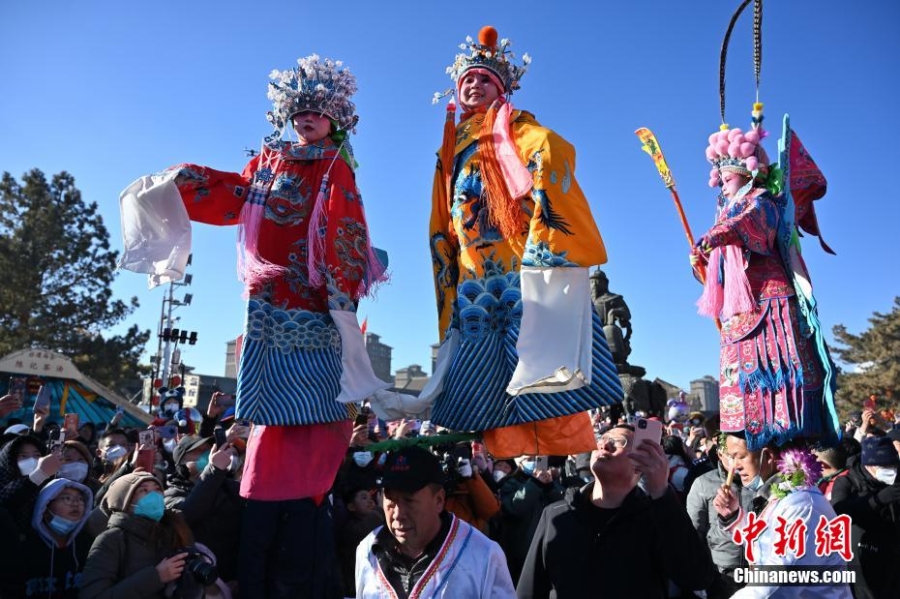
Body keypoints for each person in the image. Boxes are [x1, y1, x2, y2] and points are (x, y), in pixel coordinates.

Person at [118, 55, 388, 598]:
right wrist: (180, 183)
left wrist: (339, 287)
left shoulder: (334, 165)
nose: (306, 118)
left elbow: (344, 225)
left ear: (336, 119)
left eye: (318, 110)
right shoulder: (268, 162)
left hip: (311, 298)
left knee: (316, 406)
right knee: (267, 411)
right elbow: (233, 196)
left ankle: (305, 488)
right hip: (267, 300)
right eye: (300, 110)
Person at [382, 25, 622, 459]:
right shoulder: (452, 146)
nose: (474, 84)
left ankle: (557, 457)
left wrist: (541, 238)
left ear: (501, 91)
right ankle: (501, 453)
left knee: (532, 346)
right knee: (486, 356)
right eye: (467, 79)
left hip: (514, 256)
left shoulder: (515, 128)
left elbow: (550, 149)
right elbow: (442, 209)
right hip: (473, 267)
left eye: (484, 79)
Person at [691, 103, 840, 450]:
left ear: (746, 173)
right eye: (721, 181)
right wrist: (700, 257)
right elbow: (719, 272)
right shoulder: (725, 212)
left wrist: (716, 236)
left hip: (770, 300)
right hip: (739, 309)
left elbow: (750, 224)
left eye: (727, 179)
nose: (723, 187)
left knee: (779, 372)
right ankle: (749, 444)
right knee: (741, 378)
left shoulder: (761, 201)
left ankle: (790, 438)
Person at [516, 425, 715, 598]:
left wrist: (661, 492)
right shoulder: (555, 514)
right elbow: (529, 590)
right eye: (602, 439)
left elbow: (697, 577)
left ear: (640, 462)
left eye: (619, 442)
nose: (604, 445)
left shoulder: (656, 517)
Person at [355, 446, 515, 598]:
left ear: (439, 500)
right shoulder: (367, 550)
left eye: (409, 501)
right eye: (390, 500)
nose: (398, 514)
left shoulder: (483, 556)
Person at [712, 436, 852, 598]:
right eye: (731, 457)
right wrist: (733, 516)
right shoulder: (782, 494)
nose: (734, 466)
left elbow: (778, 581)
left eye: (741, 457)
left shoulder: (802, 504)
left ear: (769, 456)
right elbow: (764, 544)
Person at [79, 471, 214, 599]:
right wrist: (155, 577)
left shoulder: (176, 531)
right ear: (124, 501)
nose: (154, 495)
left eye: (157, 489)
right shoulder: (111, 540)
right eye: (143, 490)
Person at [164, 435, 243, 585]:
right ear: (181, 461)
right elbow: (188, 514)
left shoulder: (227, 486)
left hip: (236, 578)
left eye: (208, 450)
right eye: (198, 451)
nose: (206, 455)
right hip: (201, 581)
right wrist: (214, 470)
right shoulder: (170, 494)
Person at [830, 435, 900, 598]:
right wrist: (878, 500)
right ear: (869, 464)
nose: (891, 469)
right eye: (885, 465)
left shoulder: (895, 479)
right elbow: (839, 513)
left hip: (893, 558)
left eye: (893, 464)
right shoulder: (847, 482)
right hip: (861, 559)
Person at [0, 479, 94, 598]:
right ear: (44, 509)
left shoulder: (89, 545)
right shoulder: (23, 549)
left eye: (80, 499)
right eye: (67, 498)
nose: (76, 504)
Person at [686, 438, 754, 598]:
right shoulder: (703, 483)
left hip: (756, 569)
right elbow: (693, 532)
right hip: (722, 570)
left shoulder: (757, 482)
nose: (736, 463)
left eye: (741, 456)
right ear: (720, 454)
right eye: (731, 456)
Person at [495, 455, 563, 584]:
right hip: (522, 550)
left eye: (537, 459)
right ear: (520, 462)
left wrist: (550, 486)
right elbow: (514, 508)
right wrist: (535, 483)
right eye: (529, 460)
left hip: (549, 546)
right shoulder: (510, 482)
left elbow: (564, 503)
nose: (534, 463)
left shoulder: (550, 482)